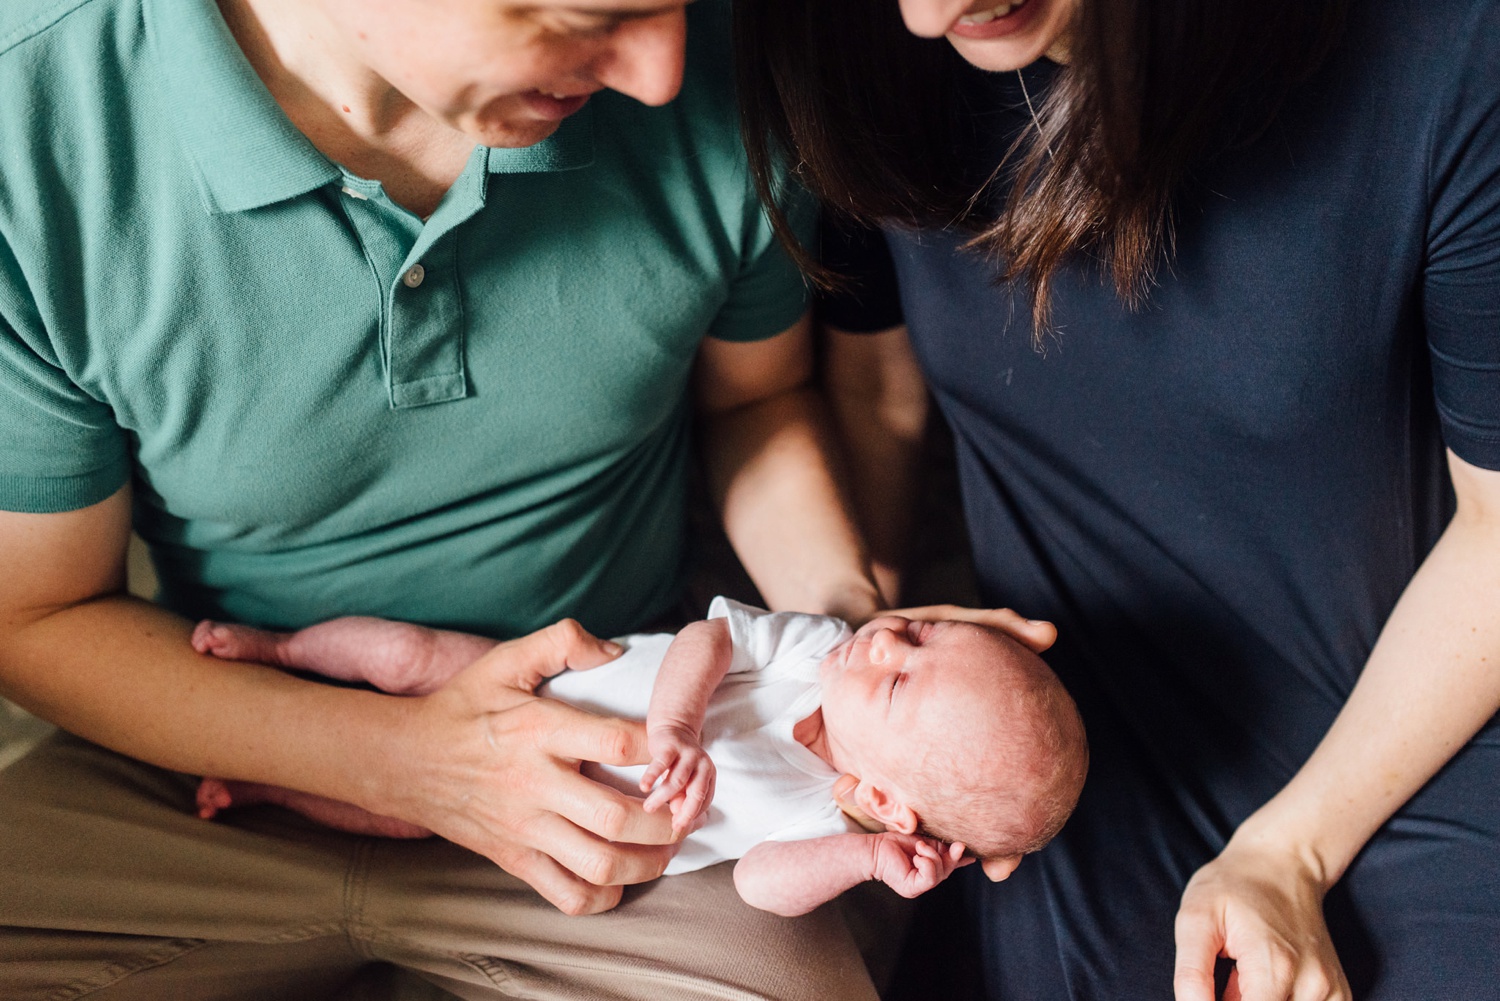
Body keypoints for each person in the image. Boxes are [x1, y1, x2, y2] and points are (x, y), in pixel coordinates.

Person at [0, 0, 1040, 995]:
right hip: (208, 748)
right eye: (592, 18)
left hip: (619, 790)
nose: (660, 73)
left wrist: (853, 619)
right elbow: (35, 615)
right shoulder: (39, 120)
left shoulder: (726, 69)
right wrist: (412, 761)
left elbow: (755, 406)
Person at [734, 0, 1500, 998]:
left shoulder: (1441, 53)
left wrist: (1291, 851)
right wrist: (868, 655)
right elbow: (877, 394)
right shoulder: (872, 64)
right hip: (1057, 764)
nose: (932, 12)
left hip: (1412, 724)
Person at [185, 598, 1088, 914]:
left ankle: (273, 789)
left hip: (546, 806)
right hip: (532, 682)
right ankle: (282, 650)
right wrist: (678, 730)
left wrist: (862, 859)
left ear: (891, 802)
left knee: (399, 814)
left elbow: (757, 884)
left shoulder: (830, 812)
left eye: (898, 682)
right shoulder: (820, 648)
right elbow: (706, 638)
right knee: (406, 657)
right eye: (924, 631)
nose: (888, 641)